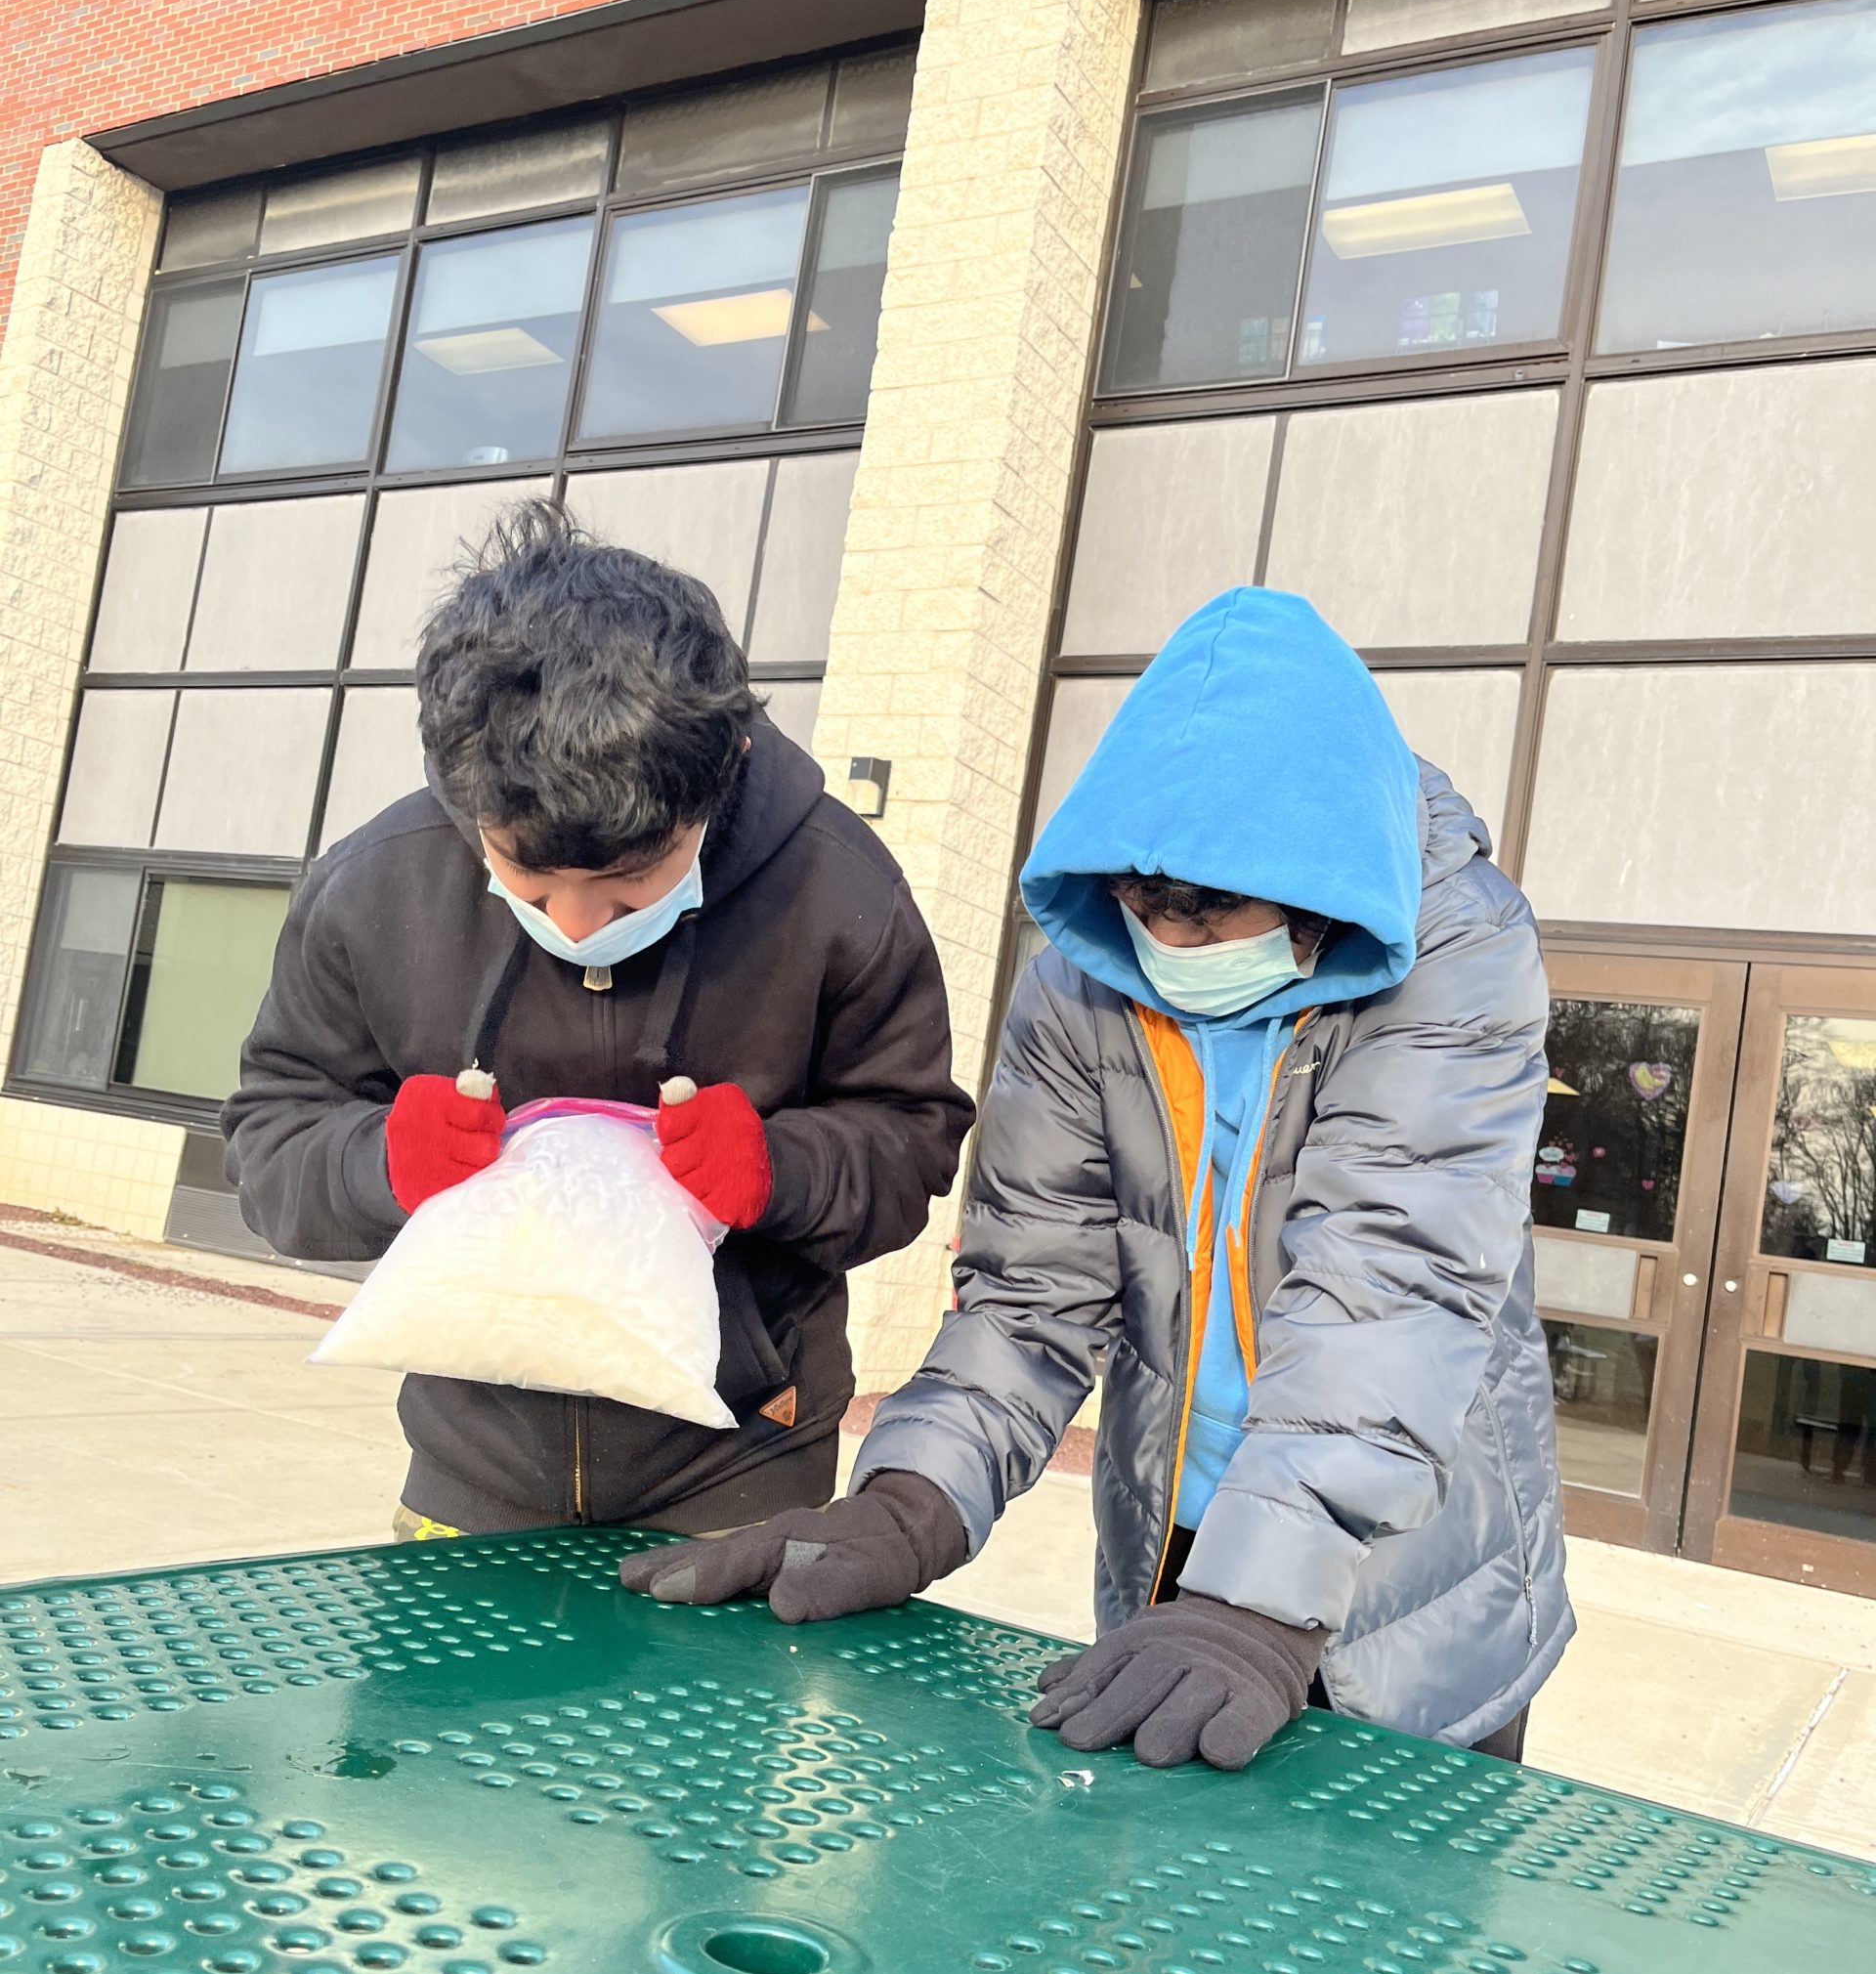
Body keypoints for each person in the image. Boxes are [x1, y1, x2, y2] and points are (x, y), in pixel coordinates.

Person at [620, 586, 1572, 1769]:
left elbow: (1394, 1284)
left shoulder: (1458, 953)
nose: (1170, 953)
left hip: (1415, 1589)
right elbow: (1034, 1287)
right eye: (1142, 910)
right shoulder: (1086, 972)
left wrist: (1259, 1608)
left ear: (1319, 876)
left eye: (1215, 917)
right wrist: (913, 1497)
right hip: (1180, 1561)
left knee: (1386, 1939)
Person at [224, 505, 973, 1538]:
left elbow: (913, 1137)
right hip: (469, 1454)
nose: (576, 922)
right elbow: (269, 1133)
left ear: (720, 774)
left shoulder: (838, 894)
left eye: (627, 885)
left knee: (705, 1709)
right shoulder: (374, 888)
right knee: (435, 1704)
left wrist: (778, 1170)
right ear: (467, 795)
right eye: (530, 879)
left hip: (745, 1454)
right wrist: (378, 1160)